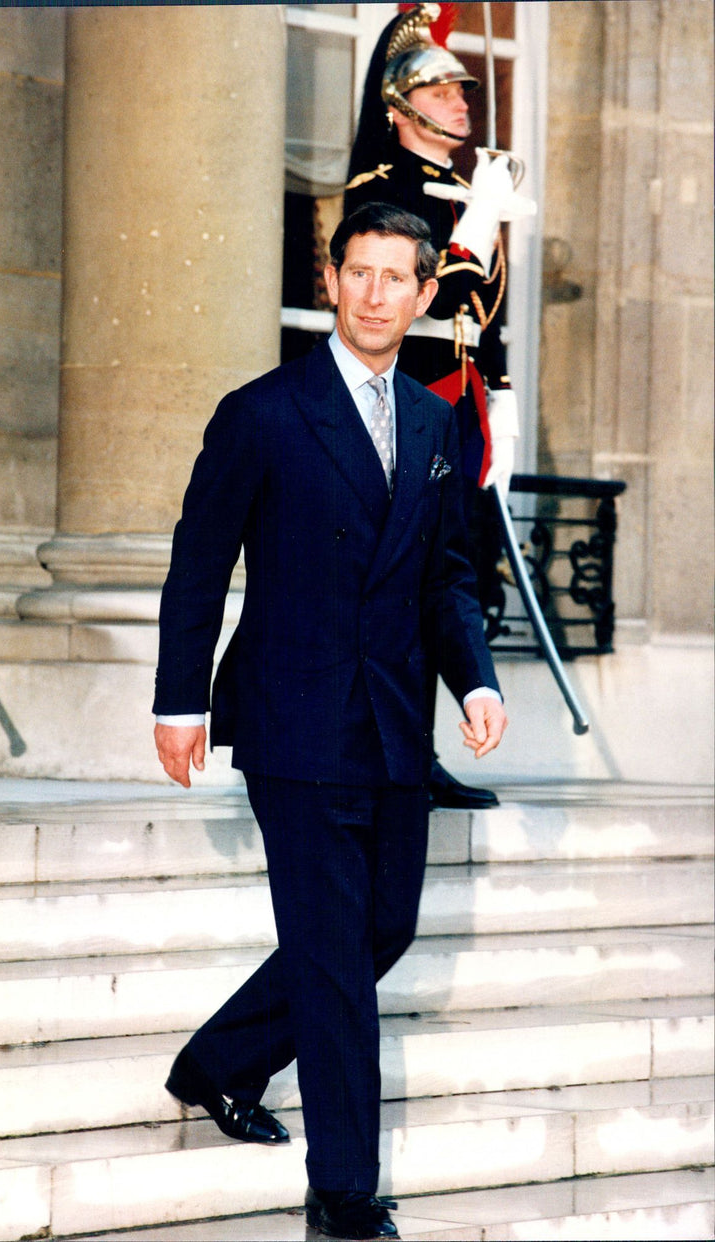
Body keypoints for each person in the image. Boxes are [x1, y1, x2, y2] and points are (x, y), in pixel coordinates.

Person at [153, 201, 507, 1241]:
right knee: (332, 963)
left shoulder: (437, 423)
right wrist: (179, 700)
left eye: (395, 277)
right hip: (293, 721)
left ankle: (215, 1061)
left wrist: (474, 682)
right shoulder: (262, 411)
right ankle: (343, 1197)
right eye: (357, 272)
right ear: (332, 278)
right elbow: (198, 566)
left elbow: (445, 577)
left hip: (395, 726)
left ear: (421, 294)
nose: (372, 294)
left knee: (379, 930)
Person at [345, 2, 521, 812]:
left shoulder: (463, 186)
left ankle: (427, 751)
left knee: (459, 573)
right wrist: (479, 220)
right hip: (404, 397)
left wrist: (505, 395)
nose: (461, 104)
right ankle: (399, 750)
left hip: (461, 404)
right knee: (404, 580)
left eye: (462, 92)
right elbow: (430, 290)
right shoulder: (385, 188)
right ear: (400, 106)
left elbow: (486, 309)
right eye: (443, 92)